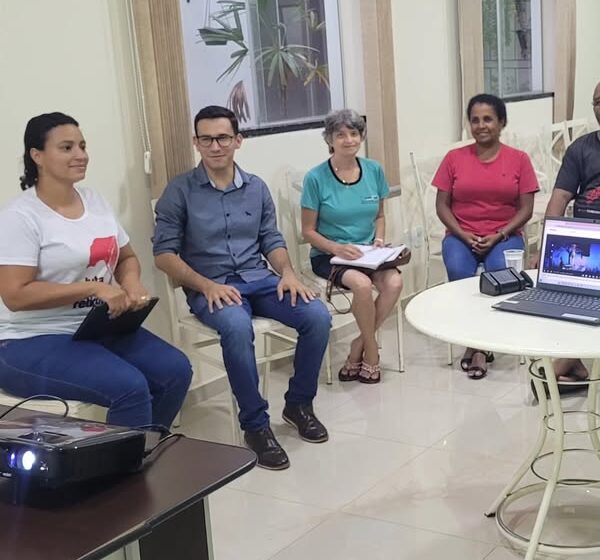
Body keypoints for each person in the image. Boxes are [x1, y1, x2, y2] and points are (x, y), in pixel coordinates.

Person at [153, 105, 331, 471]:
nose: (215, 146)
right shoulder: (179, 191)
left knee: (316, 315)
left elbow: (271, 238)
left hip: (259, 279)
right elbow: (164, 255)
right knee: (235, 327)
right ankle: (256, 425)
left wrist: (288, 273)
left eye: (222, 138)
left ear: (238, 141)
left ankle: (299, 404)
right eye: (206, 139)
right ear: (196, 143)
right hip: (212, 287)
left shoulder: (256, 188)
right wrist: (206, 285)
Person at [0, 112, 192, 429]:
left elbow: (126, 258)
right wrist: (94, 288)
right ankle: (124, 474)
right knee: (129, 388)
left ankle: (144, 453)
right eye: (66, 148)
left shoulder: (94, 201)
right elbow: (15, 295)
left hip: (97, 326)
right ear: (38, 156)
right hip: (29, 339)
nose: (81, 155)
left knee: (176, 370)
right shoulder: (20, 216)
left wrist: (131, 285)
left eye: (82, 145)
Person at [433, 93, 538, 379]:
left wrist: (499, 234)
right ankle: (473, 342)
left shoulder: (519, 160)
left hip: (504, 235)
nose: (481, 125)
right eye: (475, 120)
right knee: (459, 272)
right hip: (460, 235)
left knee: (499, 274)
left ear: (501, 122)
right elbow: (442, 204)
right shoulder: (454, 159)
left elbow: (526, 209)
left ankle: (482, 344)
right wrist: (463, 235)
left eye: (488, 119)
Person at [300, 109, 403, 385]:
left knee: (393, 283)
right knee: (360, 285)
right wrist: (336, 248)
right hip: (329, 255)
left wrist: (379, 240)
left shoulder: (374, 170)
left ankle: (358, 343)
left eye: (354, 133)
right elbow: (307, 231)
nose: (348, 140)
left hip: (369, 253)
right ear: (330, 140)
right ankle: (371, 352)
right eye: (340, 135)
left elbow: (379, 215)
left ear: (361, 137)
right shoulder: (315, 178)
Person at [541, 80, 600, 384]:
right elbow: (560, 198)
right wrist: (549, 248)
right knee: (567, 295)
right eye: (598, 102)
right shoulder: (581, 149)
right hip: (587, 242)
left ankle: (566, 363)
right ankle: (572, 362)